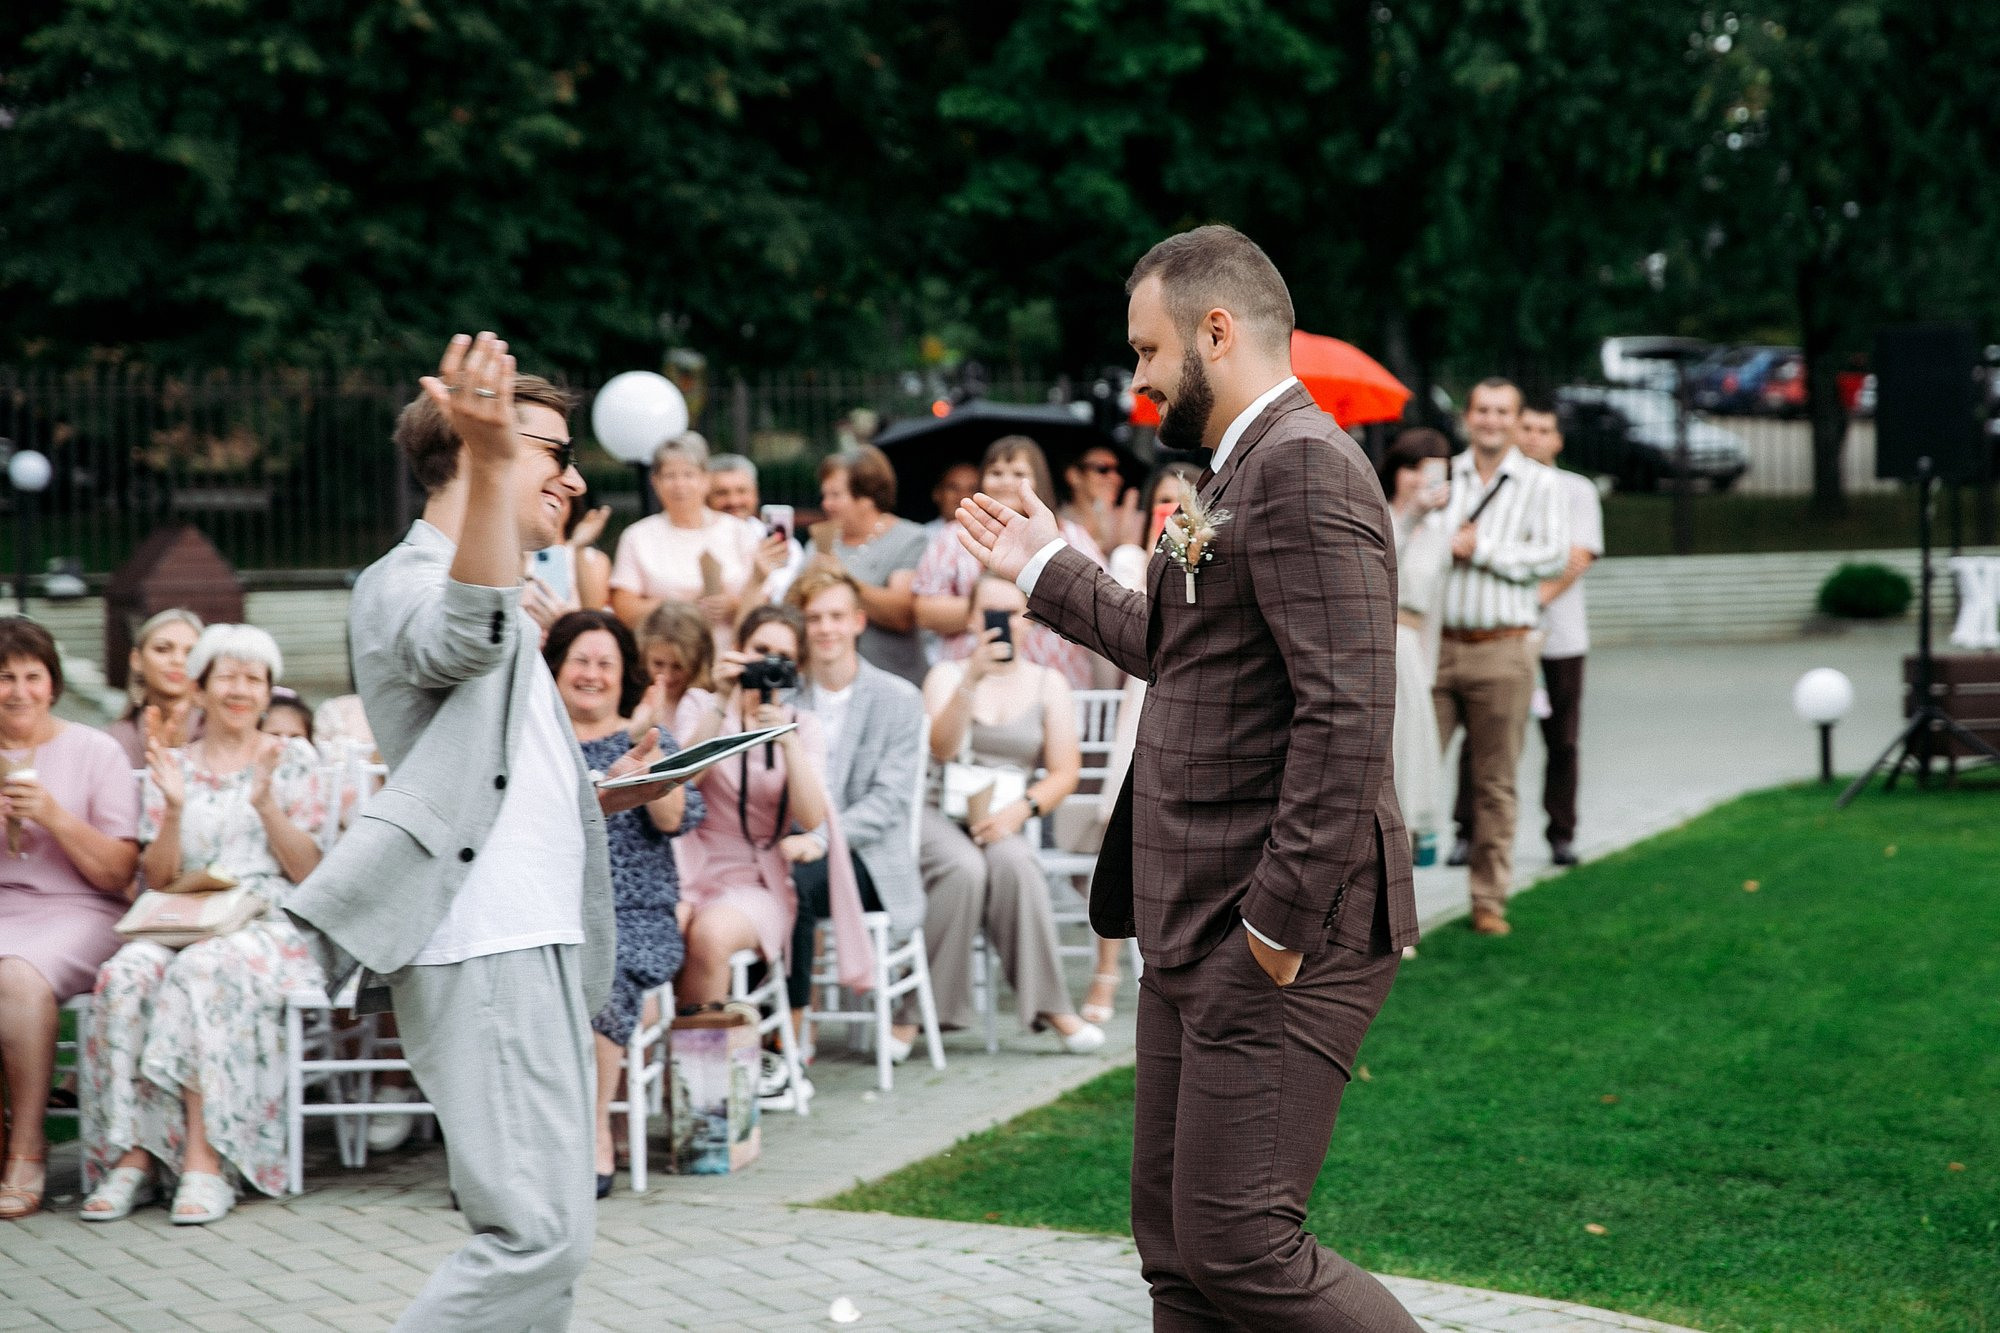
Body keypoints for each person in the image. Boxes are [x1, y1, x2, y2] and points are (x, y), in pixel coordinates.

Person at [954, 225, 1421, 1329]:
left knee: (1241, 1240)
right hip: (1187, 909)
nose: (1139, 378)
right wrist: (1042, 565)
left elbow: (1347, 711)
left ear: (1217, 330)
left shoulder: (1304, 464)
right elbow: (1178, 642)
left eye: (1146, 350)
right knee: (1174, 1249)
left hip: (1272, 923)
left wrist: (1274, 924)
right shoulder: (1234, 467)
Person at [285, 334, 673, 1329]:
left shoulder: (517, 595)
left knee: (559, 1239)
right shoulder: (400, 582)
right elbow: (459, 636)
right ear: (474, 447)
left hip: (539, 937)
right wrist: (498, 455)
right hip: (479, 939)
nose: (574, 477)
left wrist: (605, 796)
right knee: (534, 1235)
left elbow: (500, 773)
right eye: (551, 453)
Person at [80, 624, 328, 1224]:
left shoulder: (292, 759)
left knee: (201, 970)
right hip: (185, 916)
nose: (240, 689)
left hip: (268, 923)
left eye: (253, 678)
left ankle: (203, 1160)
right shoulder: (176, 765)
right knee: (127, 974)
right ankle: (133, 1156)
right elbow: (157, 881)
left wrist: (266, 803)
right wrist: (173, 812)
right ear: (201, 687)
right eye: (227, 676)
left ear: (269, 692)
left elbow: (309, 873)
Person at [542, 610, 703, 1198]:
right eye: (579, 661)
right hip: (545, 912)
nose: (591, 674)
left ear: (624, 676)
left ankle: (594, 1136)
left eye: (605, 663)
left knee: (601, 979)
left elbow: (676, 818)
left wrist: (648, 767)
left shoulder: (649, 741)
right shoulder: (534, 742)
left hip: (632, 916)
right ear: (554, 671)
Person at [912, 575, 1101, 1054]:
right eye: (990, 611)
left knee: (1016, 865)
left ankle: (1051, 1007)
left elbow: (1065, 772)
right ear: (973, 619)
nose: (1003, 622)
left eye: (1014, 611)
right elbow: (940, 748)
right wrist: (972, 680)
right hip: (940, 812)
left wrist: (1021, 811)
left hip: (1005, 816)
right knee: (964, 869)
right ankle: (919, 1015)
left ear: (1029, 620)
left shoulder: (1048, 683)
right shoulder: (946, 675)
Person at [0, 618, 141, 1222]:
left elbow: (117, 874)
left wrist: (54, 815)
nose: (18, 691)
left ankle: (29, 1146)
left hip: (79, 909)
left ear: (52, 684)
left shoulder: (94, 750)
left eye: (32, 676)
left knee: (15, 976)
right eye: (4, 677)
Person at [673, 605, 872, 1010]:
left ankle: (698, 1063)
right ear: (739, 649)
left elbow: (812, 817)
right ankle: (658, 1056)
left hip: (757, 878)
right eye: (759, 649)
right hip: (686, 866)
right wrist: (722, 700)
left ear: (796, 668)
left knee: (710, 935)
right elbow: (680, 782)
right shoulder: (702, 704)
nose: (766, 663)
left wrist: (786, 741)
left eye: (780, 657)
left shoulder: (803, 724)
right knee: (662, 929)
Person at [1433, 379, 1569, 935]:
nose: (1491, 420)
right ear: (1467, 417)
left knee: (1495, 784)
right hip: (1437, 647)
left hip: (1503, 648)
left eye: (1502, 412)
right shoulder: (1443, 478)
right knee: (1404, 777)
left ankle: (1488, 901)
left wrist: (1482, 550)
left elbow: (1553, 556)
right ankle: (1386, 908)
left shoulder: (1542, 484)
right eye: (1482, 410)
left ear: (1517, 421)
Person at [1079, 461, 1203, 1025]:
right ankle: (1105, 973)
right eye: (1162, 502)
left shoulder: (1210, 555)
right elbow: (1129, 615)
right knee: (1120, 829)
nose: (1171, 511)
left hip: (1189, 706)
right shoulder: (1133, 559)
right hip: (1139, 704)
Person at [783, 569, 926, 1044]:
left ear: (859, 622)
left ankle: (790, 1039)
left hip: (870, 860)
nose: (825, 628)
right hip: (793, 846)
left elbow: (887, 804)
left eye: (836, 616)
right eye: (814, 618)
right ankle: (761, 1027)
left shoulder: (898, 698)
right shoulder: (784, 698)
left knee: (792, 888)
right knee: (763, 882)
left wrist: (822, 839)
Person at [912, 436, 1104, 688]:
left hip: (1054, 676)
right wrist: (993, 607)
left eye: (1018, 473)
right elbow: (925, 612)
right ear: (983, 480)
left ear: (1039, 481)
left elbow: (1097, 602)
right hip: (972, 678)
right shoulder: (954, 535)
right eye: (996, 472)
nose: (1006, 482)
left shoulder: (1070, 536)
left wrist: (1028, 597)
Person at [1516, 403, 1601, 866]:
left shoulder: (1576, 491)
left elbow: (1579, 554)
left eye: (1543, 430)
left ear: (1557, 440)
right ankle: (1470, 830)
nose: (1533, 437)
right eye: (1525, 428)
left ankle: (1561, 832)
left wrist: (1536, 598)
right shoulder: (1500, 487)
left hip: (1561, 635)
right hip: (1503, 632)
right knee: (1487, 738)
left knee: (1562, 741)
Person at [609, 432, 764, 650]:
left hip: (729, 652)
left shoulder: (739, 532)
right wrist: (683, 607)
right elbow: (624, 609)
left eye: (688, 475)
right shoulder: (638, 536)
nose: (679, 484)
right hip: (666, 658)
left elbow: (764, 599)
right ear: (656, 482)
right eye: (670, 476)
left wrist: (734, 605)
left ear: (705, 480)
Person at [1379, 429, 1455, 862]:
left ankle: (1406, 845)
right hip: (1377, 637)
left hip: (1410, 647)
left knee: (1412, 753)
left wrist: (1429, 669)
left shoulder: (1440, 531)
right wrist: (1409, 516)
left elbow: (1434, 608)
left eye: (1428, 469)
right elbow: (1382, 565)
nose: (1417, 479)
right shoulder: (1379, 514)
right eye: (1411, 467)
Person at [808, 446, 930, 685]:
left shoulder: (908, 539)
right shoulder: (818, 543)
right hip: (831, 682)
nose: (826, 504)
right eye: (825, 495)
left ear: (867, 497)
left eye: (835, 495)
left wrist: (843, 579)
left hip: (894, 679)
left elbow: (903, 615)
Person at [103, 608, 204, 767]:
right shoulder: (109, 742)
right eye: (162, 649)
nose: (178, 660)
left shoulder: (221, 738)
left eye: (190, 652)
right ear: (137, 660)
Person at [709, 453, 801, 607]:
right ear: (707, 497)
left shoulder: (784, 545)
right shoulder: (698, 537)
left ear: (755, 494)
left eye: (741, 491)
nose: (733, 500)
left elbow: (784, 598)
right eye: (722, 493)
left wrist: (738, 605)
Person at [636, 600, 720, 742]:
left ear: (697, 662)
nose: (667, 676)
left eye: (678, 666)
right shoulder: (632, 699)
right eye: (658, 664)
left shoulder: (708, 703)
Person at [1061, 443, 1143, 564]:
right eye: (1103, 469)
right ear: (1074, 475)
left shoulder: (1132, 520)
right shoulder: (1058, 520)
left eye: (1118, 471)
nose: (1115, 478)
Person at [924, 461, 982, 541]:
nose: (963, 496)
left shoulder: (993, 536)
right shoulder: (922, 537)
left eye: (972, 489)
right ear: (936, 493)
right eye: (953, 488)